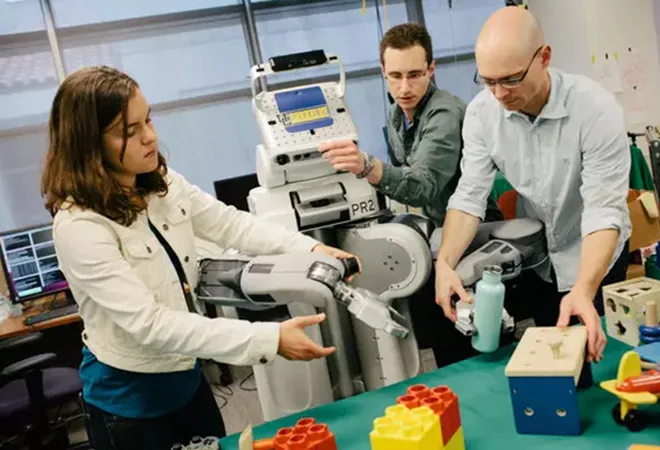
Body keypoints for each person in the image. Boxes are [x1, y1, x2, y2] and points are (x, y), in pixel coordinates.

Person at [40, 66, 357, 450]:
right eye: (129, 130)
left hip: (188, 380)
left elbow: (230, 224)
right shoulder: (79, 226)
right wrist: (267, 338)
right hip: (128, 407)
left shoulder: (161, 183)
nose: (150, 136)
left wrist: (310, 248)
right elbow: (151, 324)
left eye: (148, 119)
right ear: (88, 143)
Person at [435, 7, 631, 366]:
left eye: (510, 79)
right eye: (488, 80)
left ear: (544, 58)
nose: (499, 94)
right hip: (541, 257)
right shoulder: (482, 114)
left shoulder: (595, 109)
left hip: (596, 251)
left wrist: (585, 290)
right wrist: (445, 264)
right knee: (558, 360)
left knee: (607, 357)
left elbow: (604, 210)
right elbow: (469, 196)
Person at [320, 23, 502, 368]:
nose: (405, 87)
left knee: (475, 342)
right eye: (396, 76)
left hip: (472, 235)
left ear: (432, 70)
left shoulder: (445, 113)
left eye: (415, 75)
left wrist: (365, 166)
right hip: (436, 234)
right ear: (383, 73)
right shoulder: (396, 113)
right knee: (445, 338)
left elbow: (422, 185)